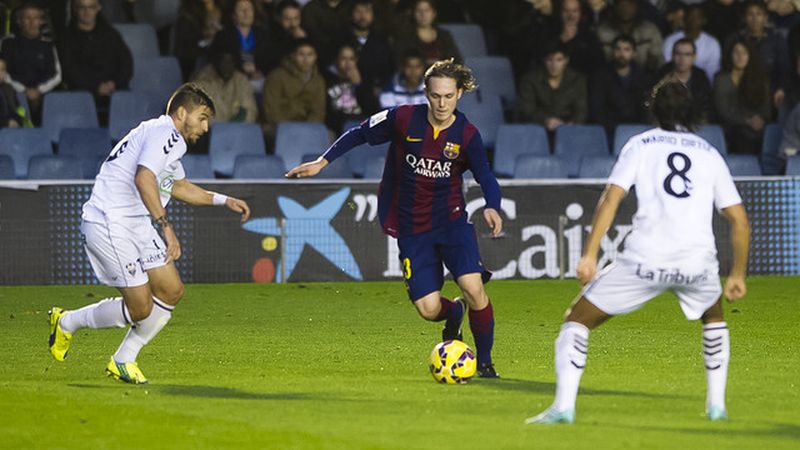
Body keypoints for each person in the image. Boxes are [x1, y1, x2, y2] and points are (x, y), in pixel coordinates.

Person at [525, 78, 750, 424]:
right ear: (691, 111)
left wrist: (589, 255)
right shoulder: (709, 153)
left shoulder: (641, 144)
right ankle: (717, 406)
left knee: (577, 321)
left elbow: (612, 198)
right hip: (696, 263)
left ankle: (563, 407)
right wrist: (736, 275)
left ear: (654, 109)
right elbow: (738, 220)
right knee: (714, 317)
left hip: (646, 259)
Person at [286, 59, 504, 378]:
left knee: (473, 287)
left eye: (448, 96)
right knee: (429, 309)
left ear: (459, 94)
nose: (441, 103)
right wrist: (322, 161)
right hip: (412, 228)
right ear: (426, 94)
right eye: (435, 96)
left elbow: (486, 175)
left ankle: (484, 362)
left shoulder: (467, 134)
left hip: (452, 223)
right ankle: (454, 313)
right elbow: (359, 133)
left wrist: (493, 205)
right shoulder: (402, 118)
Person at [47, 84, 251, 384]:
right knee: (140, 308)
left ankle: (123, 360)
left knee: (171, 291)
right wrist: (167, 227)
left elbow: (178, 186)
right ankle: (67, 322)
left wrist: (223, 199)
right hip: (110, 222)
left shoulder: (163, 140)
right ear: (181, 113)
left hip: (136, 223)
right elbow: (144, 178)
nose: (206, 127)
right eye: (202, 117)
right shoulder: (166, 134)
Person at [59, 0, 133, 117]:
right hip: (82, 93)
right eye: (82, 8)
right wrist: (95, 87)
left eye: (91, 7)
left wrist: (114, 84)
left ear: (98, 8)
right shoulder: (66, 38)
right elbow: (68, 70)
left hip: (115, 91)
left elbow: (126, 63)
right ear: (75, 9)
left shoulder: (111, 34)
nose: (87, 12)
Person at [0, 2, 61, 124]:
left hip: (43, 96)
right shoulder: (7, 43)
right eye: (27, 18)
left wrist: (38, 90)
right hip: (15, 94)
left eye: (36, 18)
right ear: (19, 21)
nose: (32, 22)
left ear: (41, 21)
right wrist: (24, 90)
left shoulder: (48, 45)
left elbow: (57, 75)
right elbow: (2, 72)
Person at [713, 39, 771, 154]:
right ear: (730, 56)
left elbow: (766, 109)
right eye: (736, 52)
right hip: (731, 127)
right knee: (742, 135)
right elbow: (722, 110)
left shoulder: (760, 78)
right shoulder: (721, 79)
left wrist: (760, 120)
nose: (740, 57)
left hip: (757, 126)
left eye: (744, 53)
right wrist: (746, 121)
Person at [262, 38, 326, 140]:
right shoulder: (276, 76)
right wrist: (290, 128)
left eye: (310, 55)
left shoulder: (318, 80)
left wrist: (307, 128)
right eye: (301, 54)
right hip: (279, 127)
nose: (305, 59)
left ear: (315, 57)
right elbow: (271, 110)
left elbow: (318, 111)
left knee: (329, 136)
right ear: (293, 56)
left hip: (307, 128)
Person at [517, 43, 588, 133]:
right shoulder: (530, 79)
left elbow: (581, 110)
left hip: (568, 129)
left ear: (566, 60)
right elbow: (527, 109)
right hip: (537, 129)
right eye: (549, 60)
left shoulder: (577, 80)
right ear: (544, 60)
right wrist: (546, 121)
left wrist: (571, 125)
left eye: (559, 60)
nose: (554, 65)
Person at [590, 34, 650, 136]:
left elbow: (645, 109)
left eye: (626, 49)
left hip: (636, 131)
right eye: (618, 49)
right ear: (613, 52)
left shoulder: (643, 77)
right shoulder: (601, 76)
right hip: (608, 131)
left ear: (634, 53)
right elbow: (597, 108)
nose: (621, 53)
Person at [596, 0, 663, 74]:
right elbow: (597, 62)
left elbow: (658, 60)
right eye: (621, 5)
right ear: (615, 7)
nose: (625, 8)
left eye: (629, 5)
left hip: (644, 78)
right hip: (609, 78)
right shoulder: (602, 31)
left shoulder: (650, 30)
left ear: (636, 6)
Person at [654, 38, 713, 122]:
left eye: (687, 54)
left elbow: (706, 108)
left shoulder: (701, 77)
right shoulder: (661, 74)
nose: (682, 59)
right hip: (664, 124)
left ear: (694, 57)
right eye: (678, 54)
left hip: (694, 125)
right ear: (672, 56)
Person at [324, 44, 379, 132]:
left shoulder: (364, 79)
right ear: (336, 60)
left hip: (359, 124)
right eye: (343, 58)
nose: (348, 63)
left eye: (351, 59)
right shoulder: (327, 78)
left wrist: (359, 85)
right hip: (336, 126)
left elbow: (372, 109)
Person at [192, 50, 259, 123]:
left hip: (237, 131)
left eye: (230, 62)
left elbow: (250, 112)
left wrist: (232, 126)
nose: (227, 66)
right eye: (223, 61)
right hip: (212, 133)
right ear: (216, 62)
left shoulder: (241, 80)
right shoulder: (202, 82)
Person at [662, 4, 721, 82]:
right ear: (684, 19)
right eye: (690, 16)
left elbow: (712, 73)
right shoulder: (670, 40)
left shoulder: (712, 43)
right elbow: (668, 68)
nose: (693, 20)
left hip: (702, 86)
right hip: (673, 84)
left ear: (704, 20)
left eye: (698, 17)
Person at [393, 0, 462, 67]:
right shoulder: (405, 37)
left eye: (427, 10)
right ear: (413, 13)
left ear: (434, 13)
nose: (423, 14)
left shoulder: (445, 35)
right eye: (419, 11)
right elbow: (399, 63)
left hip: (443, 76)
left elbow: (457, 60)